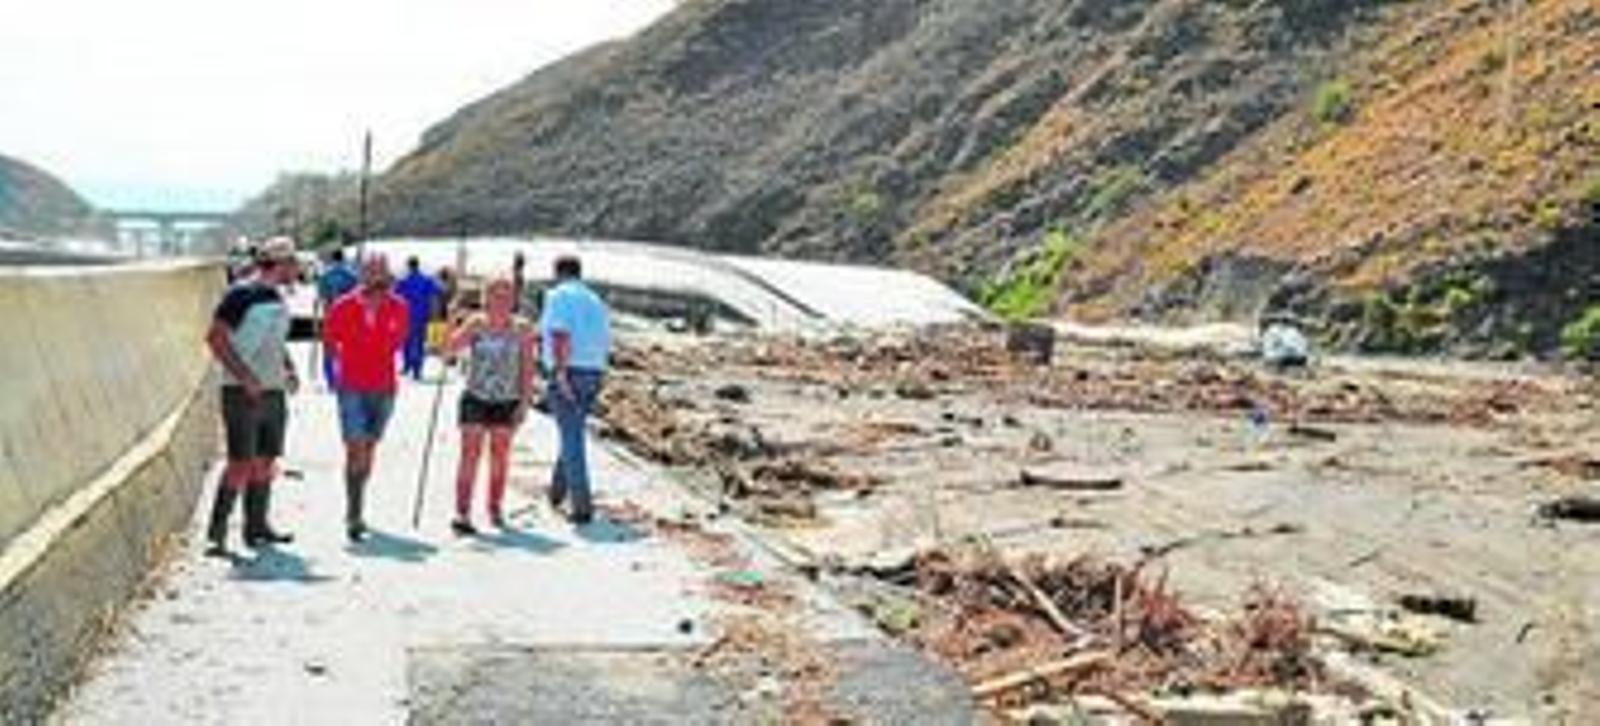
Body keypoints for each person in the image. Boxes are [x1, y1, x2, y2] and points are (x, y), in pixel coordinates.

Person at [203, 237, 300, 556]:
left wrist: (288, 367)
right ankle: (216, 534)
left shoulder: (276, 296)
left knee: (266, 460)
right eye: (292, 262)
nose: (297, 268)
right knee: (240, 463)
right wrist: (245, 377)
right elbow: (215, 338)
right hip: (240, 392)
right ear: (279, 264)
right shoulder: (240, 294)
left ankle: (257, 527)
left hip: (273, 390)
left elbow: (275, 340)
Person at [323, 254, 409, 542]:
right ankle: (354, 512)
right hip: (351, 386)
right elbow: (330, 341)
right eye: (371, 272)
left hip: (384, 386)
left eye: (381, 272)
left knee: (370, 447)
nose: (376, 277)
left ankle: (359, 496)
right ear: (361, 275)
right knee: (355, 447)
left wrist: (376, 314)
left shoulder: (399, 306)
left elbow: (396, 344)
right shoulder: (342, 306)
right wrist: (336, 372)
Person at [446, 277, 538, 535]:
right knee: (469, 456)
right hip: (475, 397)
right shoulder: (476, 323)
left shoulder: (523, 328)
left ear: (514, 300)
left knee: (499, 458)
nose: (501, 301)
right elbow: (448, 351)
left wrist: (524, 403)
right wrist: (451, 319)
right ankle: (462, 512)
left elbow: (528, 370)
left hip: (507, 401)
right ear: (485, 298)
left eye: (507, 296)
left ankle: (494, 507)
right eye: (496, 295)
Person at [539, 255, 611, 525]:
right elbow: (604, 338)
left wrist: (559, 373)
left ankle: (582, 506)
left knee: (572, 438)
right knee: (573, 432)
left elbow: (560, 334)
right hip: (594, 370)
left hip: (570, 370)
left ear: (558, 273)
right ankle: (557, 492)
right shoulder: (595, 299)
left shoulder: (558, 295)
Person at [395, 256, 444, 380]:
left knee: (406, 342)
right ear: (418, 265)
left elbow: (395, 296)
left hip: (406, 315)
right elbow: (439, 290)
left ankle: (407, 366)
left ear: (408, 266)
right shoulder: (427, 279)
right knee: (420, 343)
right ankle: (418, 371)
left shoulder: (403, 280)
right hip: (422, 315)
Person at [316, 248, 360, 385]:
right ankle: (347, 376)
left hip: (330, 315)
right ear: (343, 258)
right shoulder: (352, 276)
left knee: (329, 347)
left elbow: (321, 297)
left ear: (332, 259)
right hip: (348, 317)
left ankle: (331, 379)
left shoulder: (325, 275)